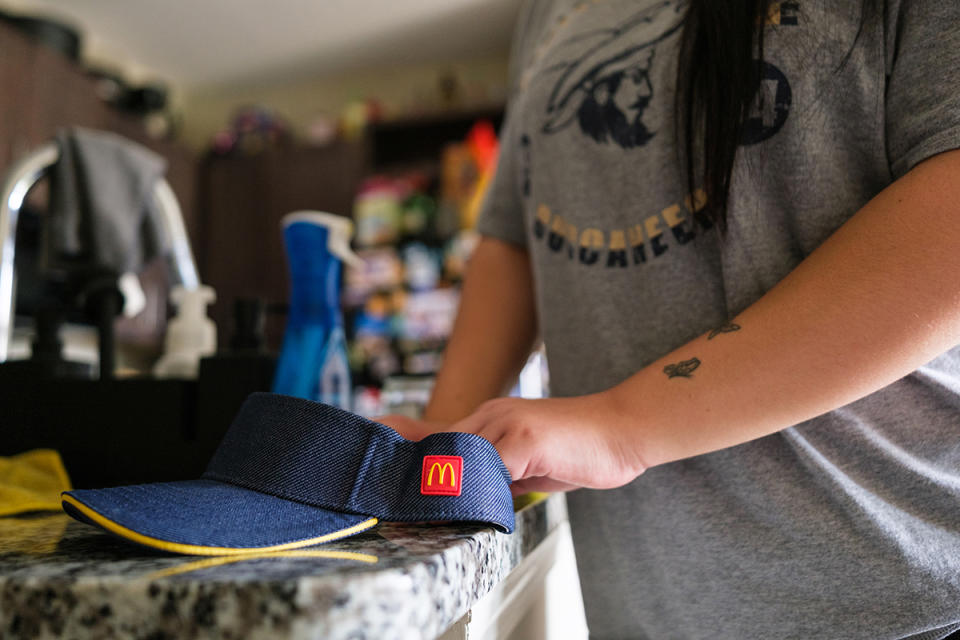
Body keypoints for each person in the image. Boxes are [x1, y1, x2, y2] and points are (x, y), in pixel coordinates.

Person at [383, 1, 960, 637]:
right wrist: (446, 445)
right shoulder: (548, 10)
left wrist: (620, 424)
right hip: (641, 611)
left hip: (898, 600)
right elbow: (514, 235)